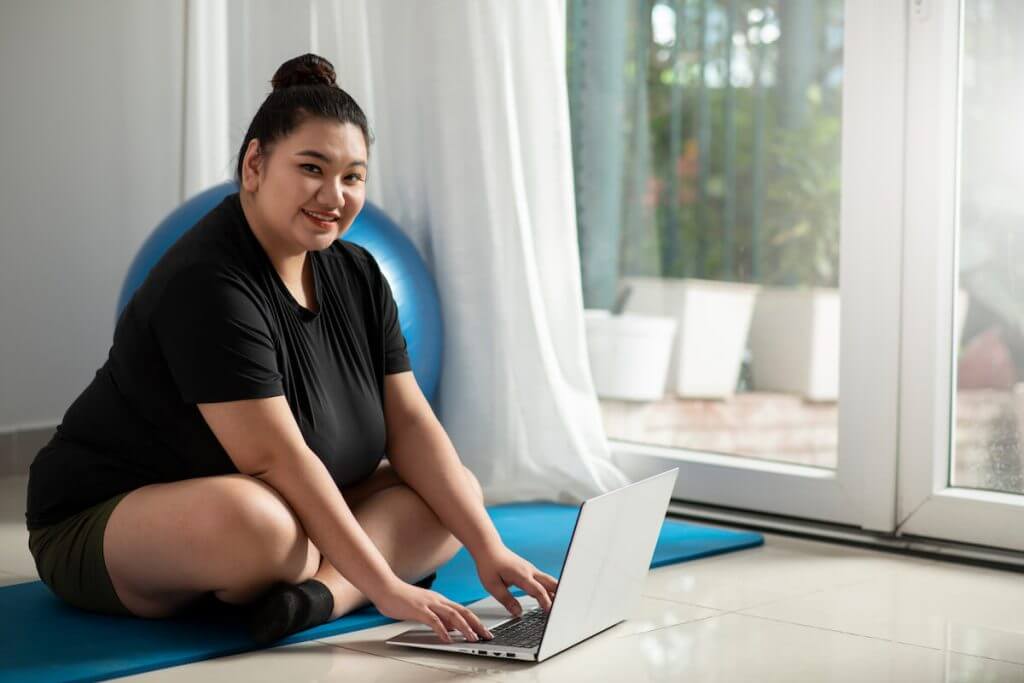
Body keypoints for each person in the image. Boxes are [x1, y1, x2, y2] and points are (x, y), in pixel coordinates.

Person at [25, 53, 557, 646]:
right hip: (106, 517)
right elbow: (277, 459)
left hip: (281, 502)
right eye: (312, 168)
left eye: (353, 176)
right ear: (255, 164)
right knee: (260, 529)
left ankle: (321, 598)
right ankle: (340, 580)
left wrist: (490, 548)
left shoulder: (358, 272)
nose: (334, 196)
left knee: (456, 494)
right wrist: (387, 587)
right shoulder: (207, 282)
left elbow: (408, 422)